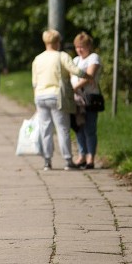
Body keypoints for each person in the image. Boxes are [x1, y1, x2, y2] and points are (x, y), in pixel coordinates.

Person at [32, 29, 85, 171]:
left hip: (40, 96)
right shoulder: (61, 56)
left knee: (46, 129)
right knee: (63, 129)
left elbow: (34, 82)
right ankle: (68, 160)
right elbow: (75, 70)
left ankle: (47, 161)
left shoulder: (38, 59)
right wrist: (88, 75)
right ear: (57, 42)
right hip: (56, 96)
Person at [71, 32, 101, 169]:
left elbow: (89, 76)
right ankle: (81, 155)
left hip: (89, 99)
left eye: (82, 46)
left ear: (89, 46)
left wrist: (74, 87)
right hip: (77, 100)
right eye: (77, 47)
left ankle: (91, 158)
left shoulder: (93, 58)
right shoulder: (76, 60)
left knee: (89, 128)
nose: (79, 49)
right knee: (78, 128)